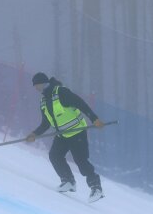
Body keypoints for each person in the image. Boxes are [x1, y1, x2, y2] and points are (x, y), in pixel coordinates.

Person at [26, 72, 105, 202]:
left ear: (44, 83)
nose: (36, 88)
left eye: (37, 85)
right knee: (54, 156)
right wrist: (35, 134)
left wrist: (94, 119)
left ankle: (96, 188)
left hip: (77, 132)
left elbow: (80, 103)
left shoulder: (61, 92)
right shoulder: (43, 101)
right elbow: (46, 123)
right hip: (62, 135)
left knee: (81, 161)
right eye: (35, 86)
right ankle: (68, 181)